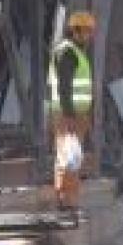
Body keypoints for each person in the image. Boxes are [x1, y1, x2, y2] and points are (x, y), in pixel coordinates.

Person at [48, 11, 95, 210]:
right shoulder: (66, 52)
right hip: (68, 116)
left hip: (76, 115)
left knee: (73, 159)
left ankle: (70, 200)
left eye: (90, 32)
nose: (89, 36)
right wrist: (69, 116)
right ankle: (65, 200)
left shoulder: (76, 52)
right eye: (86, 31)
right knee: (68, 158)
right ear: (75, 31)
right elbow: (64, 86)